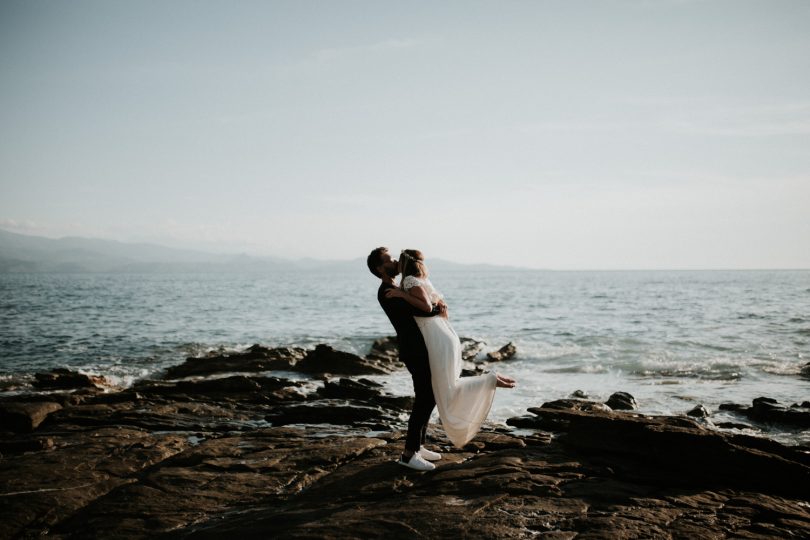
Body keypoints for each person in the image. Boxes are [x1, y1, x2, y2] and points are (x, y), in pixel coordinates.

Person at [385, 249, 516, 449]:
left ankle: (489, 380)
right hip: (442, 334)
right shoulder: (422, 279)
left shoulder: (410, 280)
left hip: (435, 337)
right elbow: (435, 306)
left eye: (398, 259)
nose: (395, 262)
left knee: (444, 388)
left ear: (404, 263)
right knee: (444, 386)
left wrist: (401, 294)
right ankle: (489, 380)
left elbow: (427, 307)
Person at [368, 246, 446, 471]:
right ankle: (408, 454)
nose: (395, 262)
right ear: (380, 268)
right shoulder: (387, 291)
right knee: (424, 397)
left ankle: (419, 446)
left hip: (419, 347)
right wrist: (437, 308)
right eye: (389, 260)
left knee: (428, 396)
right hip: (413, 350)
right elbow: (420, 311)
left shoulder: (394, 287)